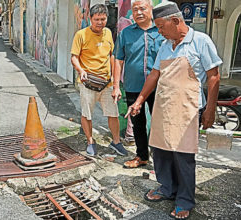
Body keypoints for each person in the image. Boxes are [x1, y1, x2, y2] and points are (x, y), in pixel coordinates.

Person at [126, 2, 221, 219]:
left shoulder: (200, 41)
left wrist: (210, 110)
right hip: (163, 106)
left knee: (183, 156)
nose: (159, 31)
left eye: (161, 26)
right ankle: (167, 188)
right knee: (160, 151)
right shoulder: (166, 45)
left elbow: (214, 76)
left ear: (176, 21)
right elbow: (154, 74)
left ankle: (185, 199)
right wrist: (140, 100)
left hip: (188, 110)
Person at [113, 0, 165, 168]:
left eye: (143, 8)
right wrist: (115, 86)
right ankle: (142, 156)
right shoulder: (125, 33)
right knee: (138, 123)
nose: (139, 12)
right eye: (135, 9)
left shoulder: (161, 31)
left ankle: (161, 160)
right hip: (133, 86)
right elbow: (118, 60)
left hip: (159, 87)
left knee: (160, 123)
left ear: (150, 10)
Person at [71, 4, 127, 156]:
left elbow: (111, 56)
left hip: (106, 83)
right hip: (87, 82)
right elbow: (74, 57)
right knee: (87, 114)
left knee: (113, 113)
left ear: (107, 19)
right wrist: (80, 70)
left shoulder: (108, 33)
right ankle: (90, 141)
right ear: (90, 19)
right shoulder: (81, 35)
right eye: (96, 19)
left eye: (103, 19)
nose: (100, 22)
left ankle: (116, 142)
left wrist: (115, 81)